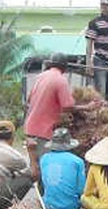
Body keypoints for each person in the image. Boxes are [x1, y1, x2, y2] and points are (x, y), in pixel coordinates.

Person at [24, 53, 96, 184]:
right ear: (64, 67)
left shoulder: (41, 76)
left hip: (30, 129)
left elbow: (29, 98)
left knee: (36, 168)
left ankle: (40, 199)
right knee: (46, 171)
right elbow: (67, 106)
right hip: (43, 132)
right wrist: (86, 107)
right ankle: (46, 200)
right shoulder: (60, 80)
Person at [40, 128, 86, 209]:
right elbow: (81, 189)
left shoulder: (44, 158)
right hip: (70, 208)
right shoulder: (77, 161)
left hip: (49, 207)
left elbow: (45, 183)